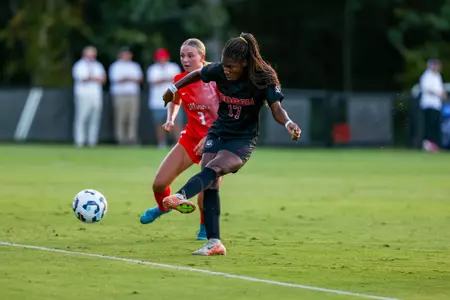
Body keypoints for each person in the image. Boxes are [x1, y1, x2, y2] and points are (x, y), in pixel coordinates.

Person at [161, 33, 301, 256]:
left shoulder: (263, 78)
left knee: (213, 169)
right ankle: (214, 242)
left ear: (244, 63)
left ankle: (180, 195)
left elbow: (276, 110)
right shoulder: (221, 69)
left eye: (231, 67)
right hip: (219, 132)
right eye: (224, 65)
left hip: (242, 139)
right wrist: (174, 88)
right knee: (211, 184)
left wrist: (289, 124)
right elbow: (197, 74)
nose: (225, 70)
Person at [140, 38, 220, 241]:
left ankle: (205, 228)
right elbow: (176, 100)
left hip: (217, 141)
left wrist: (213, 137)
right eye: (182, 55)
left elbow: (229, 113)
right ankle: (163, 207)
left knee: (208, 188)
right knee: (159, 184)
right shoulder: (181, 79)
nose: (185, 59)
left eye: (190, 55)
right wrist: (170, 119)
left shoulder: (217, 79)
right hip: (192, 138)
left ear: (202, 57)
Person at [146, 48, 182, 148]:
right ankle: (161, 144)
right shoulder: (152, 69)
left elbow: (177, 81)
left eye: (163, 57)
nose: (162, 59)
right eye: (159, 58)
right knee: (159, 124)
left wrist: (162, 80)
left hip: (174, 100)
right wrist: (167, 79)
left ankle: (178, 144)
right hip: (157, 101)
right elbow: (153, 82)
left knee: (176, 122)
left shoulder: (173, 67)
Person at [72, 46, 106, 148]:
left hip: (96, 95)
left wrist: (92, 78)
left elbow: (103, 79)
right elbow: (83, 78)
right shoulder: (79, 65)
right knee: (82, 118)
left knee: (95, 118)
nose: (91, 56)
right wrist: (95, 78)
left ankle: (92, 141)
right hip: (83, 95)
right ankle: (80, 141)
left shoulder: (98, 66)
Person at [109, 47, 143, 146]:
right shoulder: (115, 66)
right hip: (120, 94)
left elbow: (139, 79)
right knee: (120, 116)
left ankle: (131, 138)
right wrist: (129, 79)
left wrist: (126, 79)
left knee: (133, 116)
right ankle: (120, 138)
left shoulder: (134, 66)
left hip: (133, 94)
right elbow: (116, 79)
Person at [419, 58, 447, 152]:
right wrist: (439, 93)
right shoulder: (427, 75)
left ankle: (435, 144)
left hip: (436, 105)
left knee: (436, 125)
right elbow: (426, 88)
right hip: (428, 104)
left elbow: (440, 87)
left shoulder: (437, 75)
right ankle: (427, 145)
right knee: (429, 125)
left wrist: (442, 93)